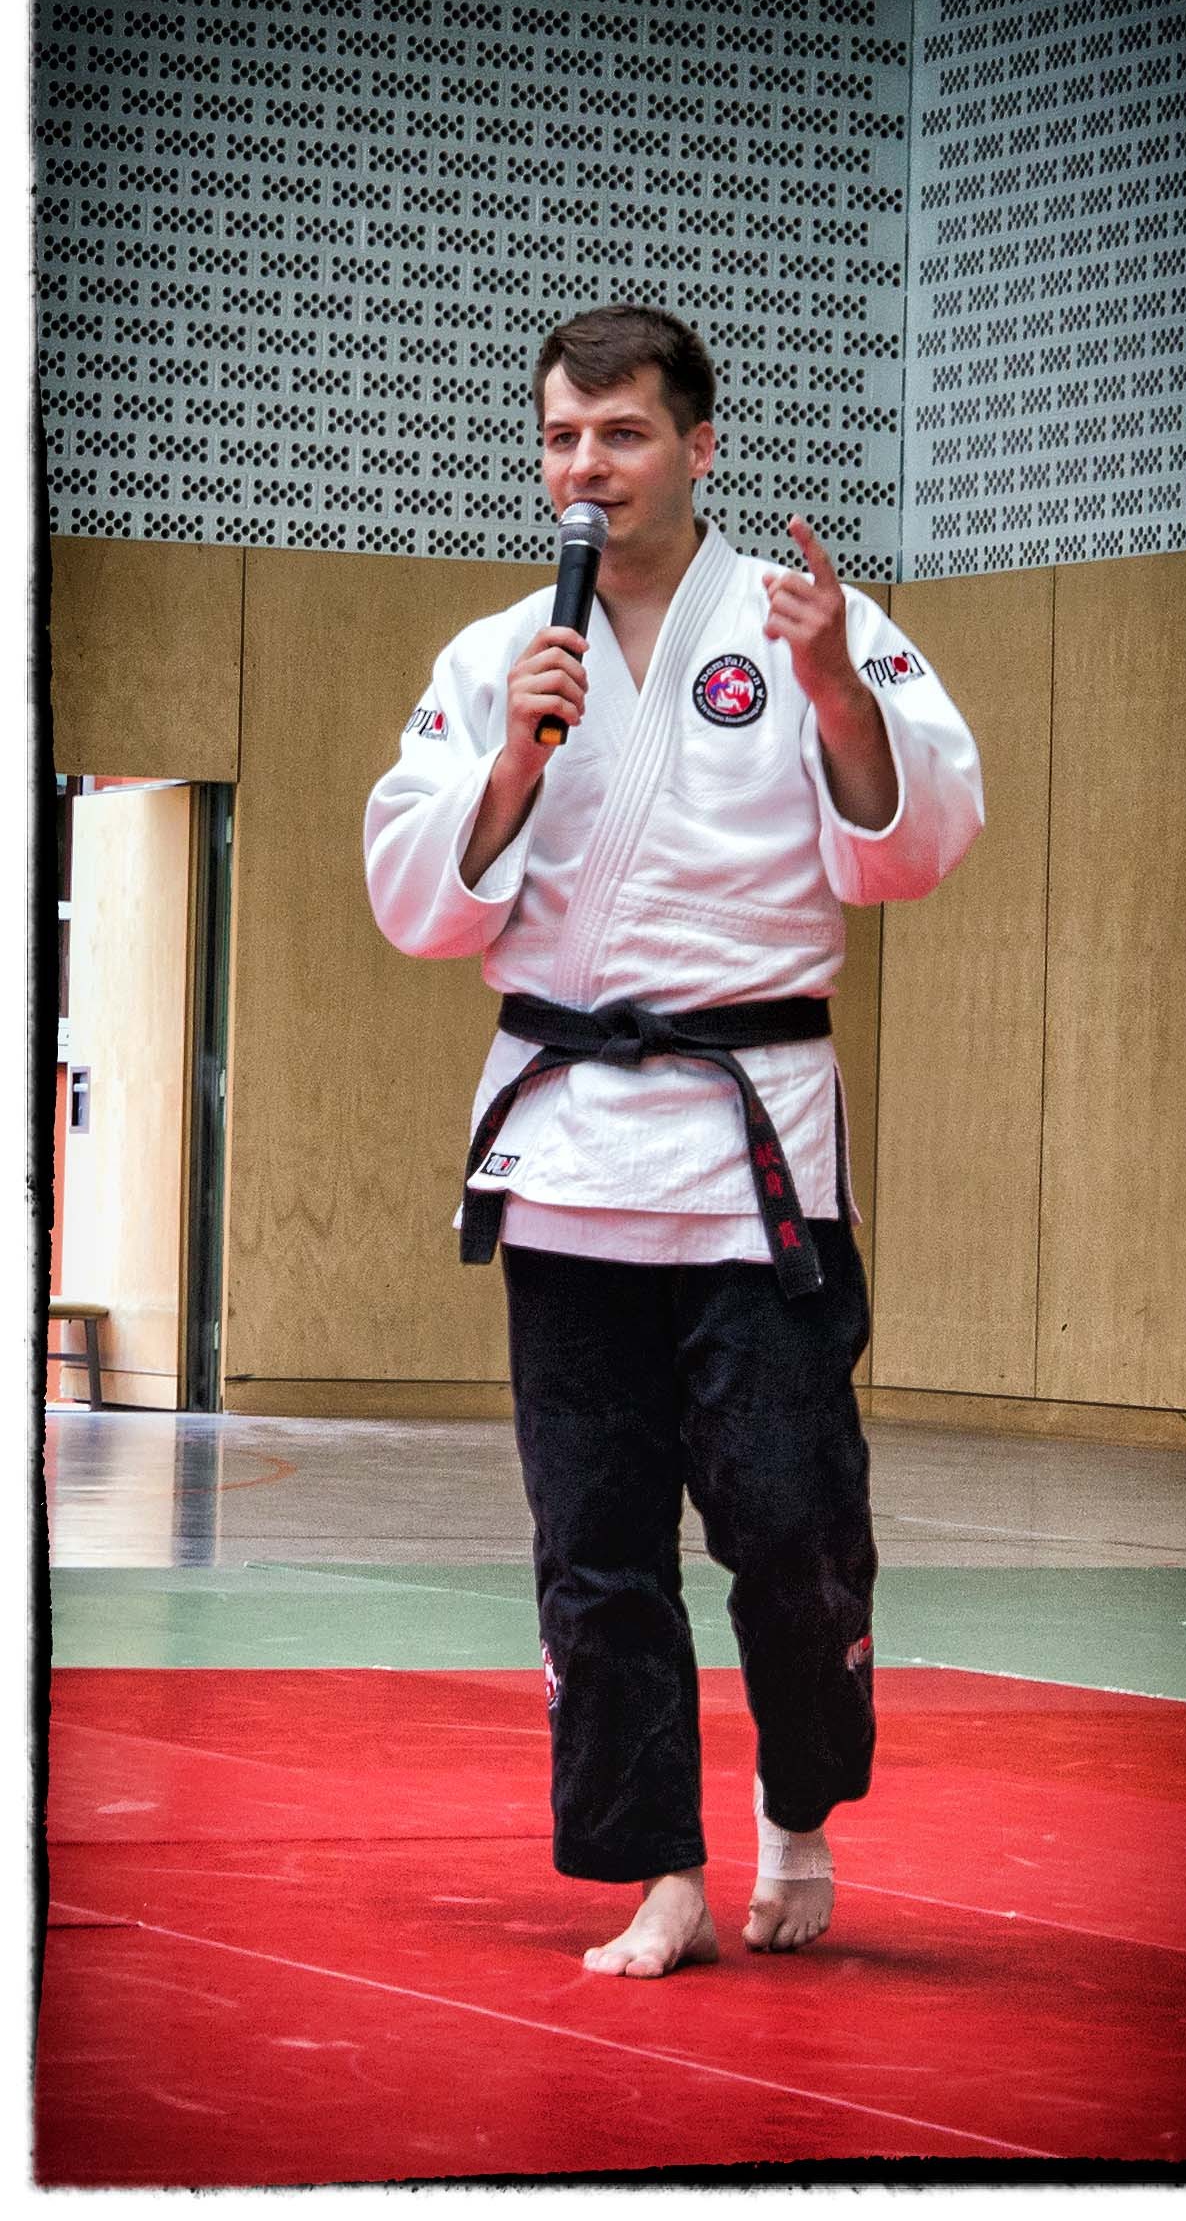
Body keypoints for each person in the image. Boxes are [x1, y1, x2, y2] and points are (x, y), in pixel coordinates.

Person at [365, 304, 983, 1979]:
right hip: (568, 1160)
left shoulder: (803, 626)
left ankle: (797, 1812)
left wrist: (835, 693)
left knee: (790, 1530)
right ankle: (659, 1873)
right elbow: (415, 902)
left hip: (750, 1159)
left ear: (698, 447)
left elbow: (915, 845)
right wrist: (510, 763)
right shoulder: (500, 655)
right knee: (596, 1550)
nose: (586, 468)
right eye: (561, 438)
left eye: (622, 435)